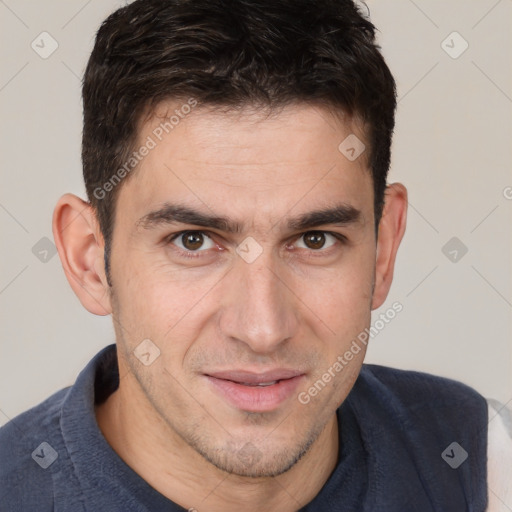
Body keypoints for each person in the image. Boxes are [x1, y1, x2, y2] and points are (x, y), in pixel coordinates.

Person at [1, 0, 510, 510]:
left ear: (383, 251)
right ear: (90, 259)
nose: (263, 329)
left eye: (315, 240)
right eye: (193, 240)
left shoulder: (481, 464)